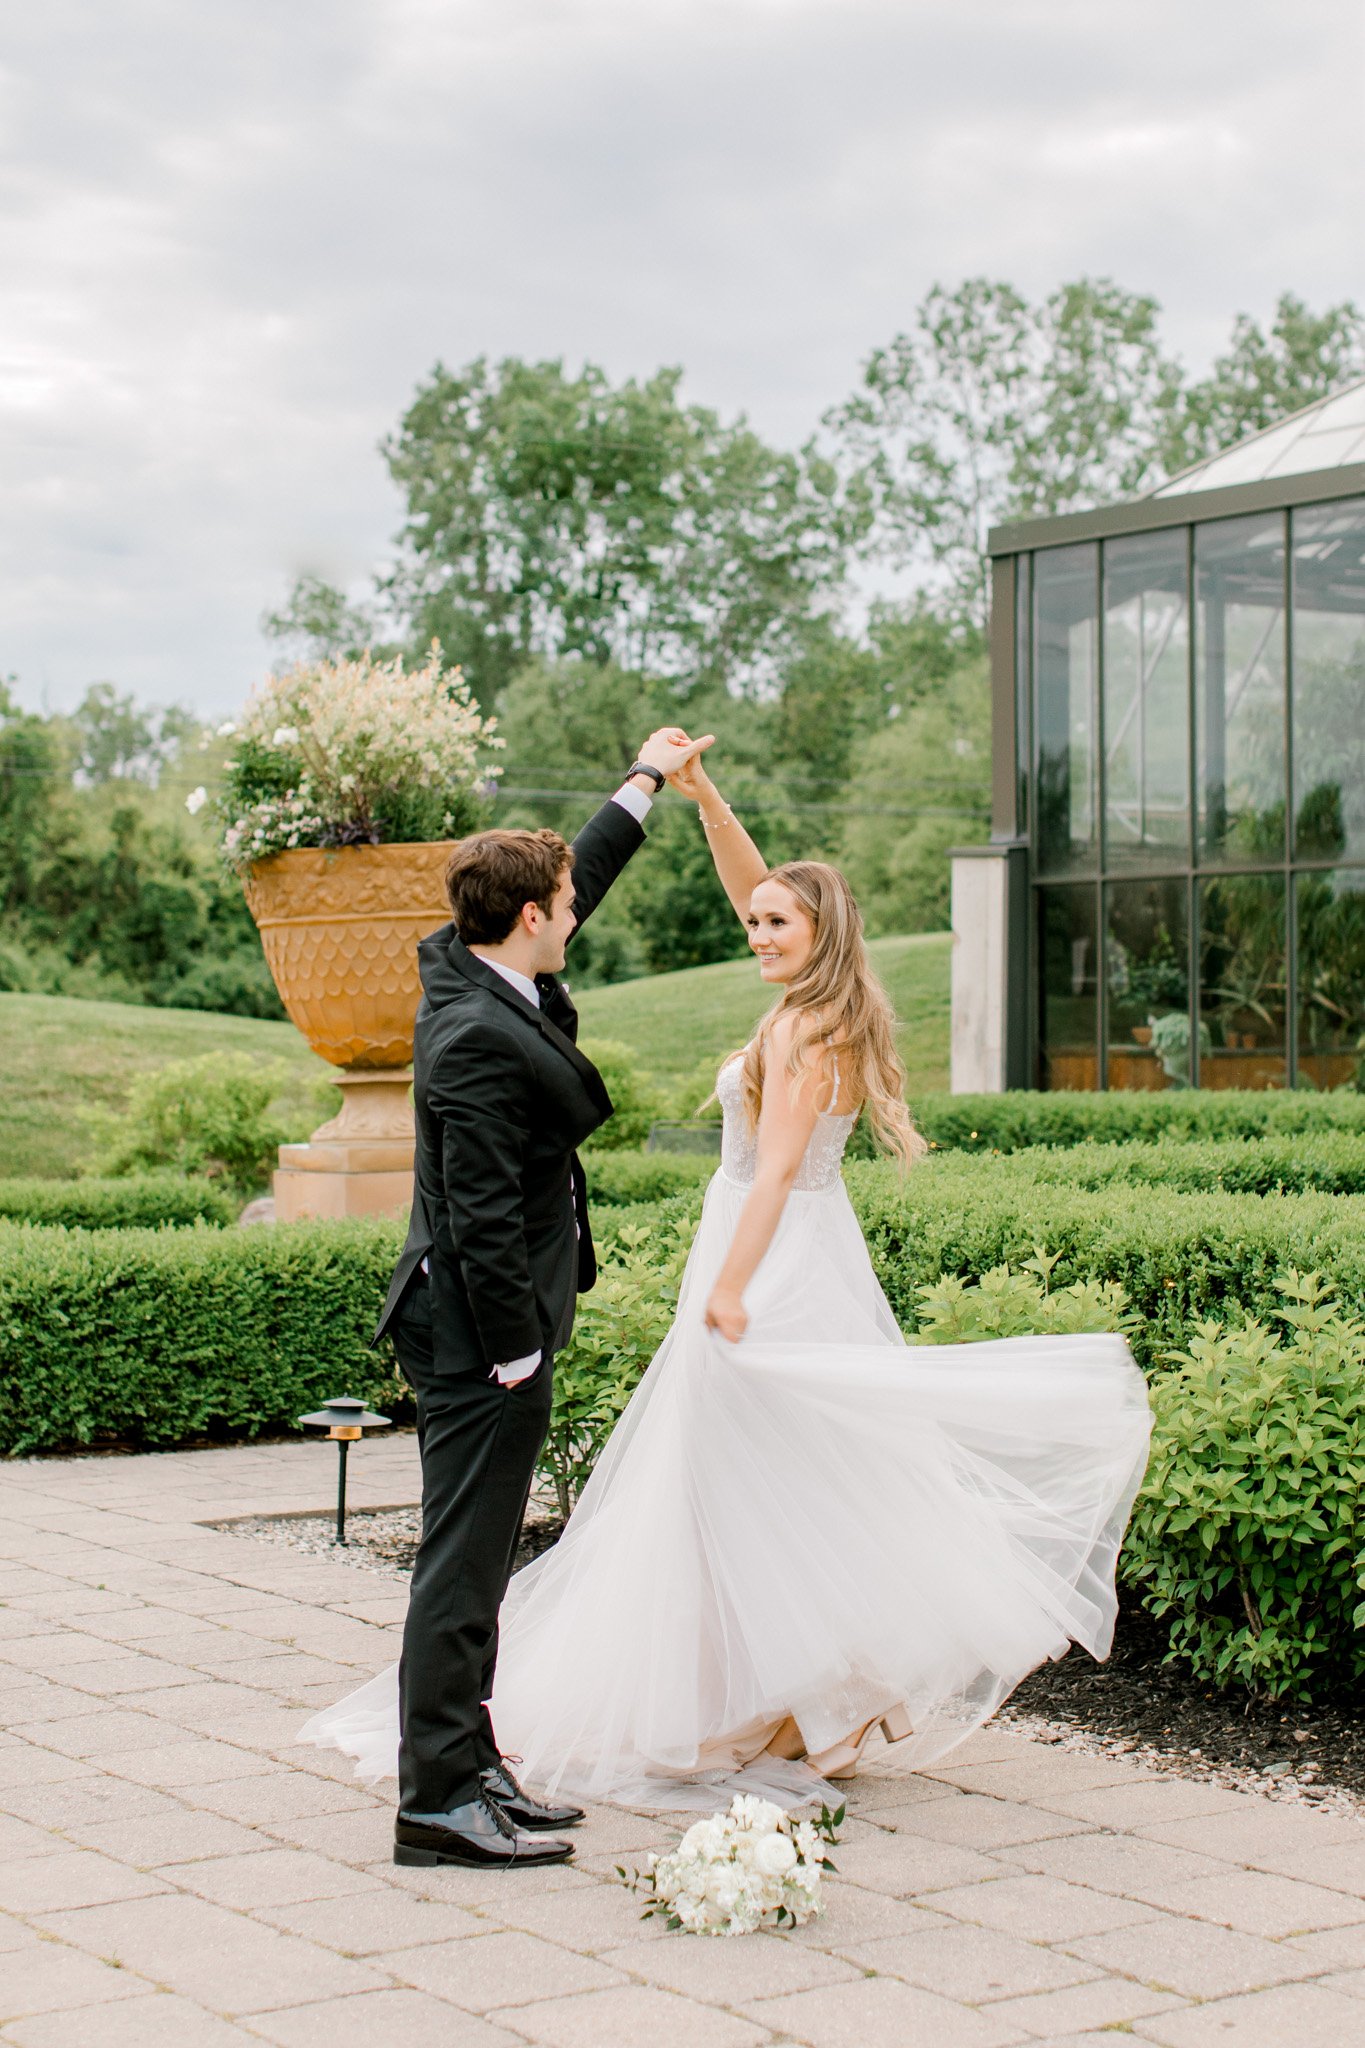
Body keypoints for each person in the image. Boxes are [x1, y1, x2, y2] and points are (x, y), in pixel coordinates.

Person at [305, 748, 1152, 1824]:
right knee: (759, 1479)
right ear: (529, 916)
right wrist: (700, 798)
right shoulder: (797, 990)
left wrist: (733, 1288)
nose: (754, 933)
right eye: (753, 925)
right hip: (756, 1243)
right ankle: (764, 1703)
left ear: (819, 938)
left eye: (774, 928)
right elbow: (760, 888)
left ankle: (781, 1700)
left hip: (772, 1255)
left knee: (752, 1479)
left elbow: (782, 1168)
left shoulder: (808, 1023)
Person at [307, 728, 714, 1874]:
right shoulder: (479, 1036)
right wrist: (515, 1352)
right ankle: (434, 1801)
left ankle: (473, 1765)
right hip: (481, 1341)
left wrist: (642, 783)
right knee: (461, 1569)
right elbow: (480, 1216)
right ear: (530, 917)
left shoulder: (482, 959)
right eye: (565, 902)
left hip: (486, 1328)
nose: (576, 909)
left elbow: (571, 867)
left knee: (477, 1567)